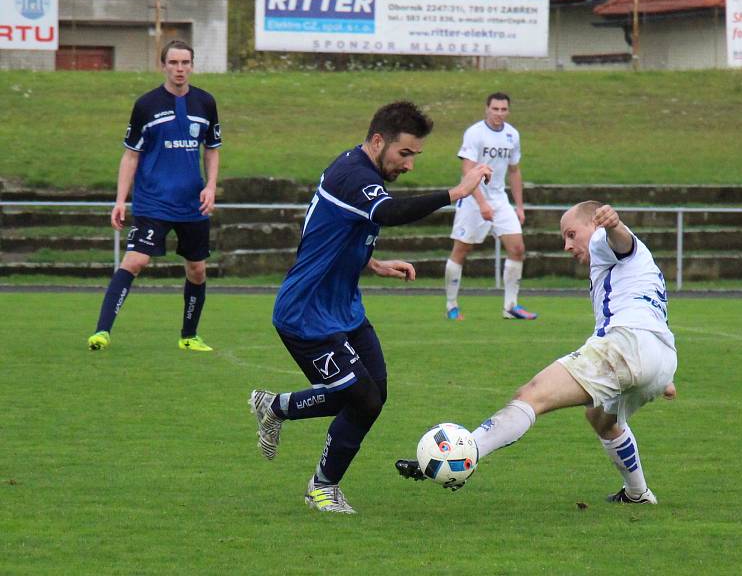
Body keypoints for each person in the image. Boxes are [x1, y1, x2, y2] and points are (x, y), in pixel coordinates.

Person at [249, 101, 493, 514]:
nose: (410, 165)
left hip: (343, 309)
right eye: (405, 154)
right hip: (305, 315)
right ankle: (322, 487)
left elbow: (328, 234)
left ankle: (275, 407)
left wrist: (373, 263)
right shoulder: (353, 176)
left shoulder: (358, 173)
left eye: (415, 155)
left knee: (374, 393)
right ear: (378, 141)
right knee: (361, 399)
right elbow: (390, 212)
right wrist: (457, 192)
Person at [397, 201, 678, 504]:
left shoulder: (601, 240)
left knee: (531, 395)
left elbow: (619, 241)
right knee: (601, 419)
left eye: (572, 234)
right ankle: (638, 493)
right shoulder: (636, 268)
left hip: (627, 348)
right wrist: (661, 376)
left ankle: (464, 452)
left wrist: (613, 225)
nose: (567, 245)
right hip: (660, 358)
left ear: (594, 225)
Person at [87, 40, 221, 352]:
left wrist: (211, 185)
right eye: (173, 63)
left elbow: (212, 149)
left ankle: (189, 337)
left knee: (197, 270)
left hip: (192, 203)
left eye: (185, 63)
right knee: (135, 260)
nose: (179, 69)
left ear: (192, 65)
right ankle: (102, 332)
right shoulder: (146, 105)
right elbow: (130, 156)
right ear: (163, 65)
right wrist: (120, 200)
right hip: (153, 202)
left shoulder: (206, 103)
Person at [445, 92, 536, 321]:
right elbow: (467, 170)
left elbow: (514, 171)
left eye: (503, 109)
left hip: (499, 199)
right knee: (461, 250)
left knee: (517, 248)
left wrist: (520, 206)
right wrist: (482, 203)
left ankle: (510, 306)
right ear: (487, 109)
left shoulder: (512, 135)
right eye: (495, 109)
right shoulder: (475, 133)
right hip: (472, 197)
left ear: (508, 111)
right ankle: (451, 305)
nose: (499, 113)